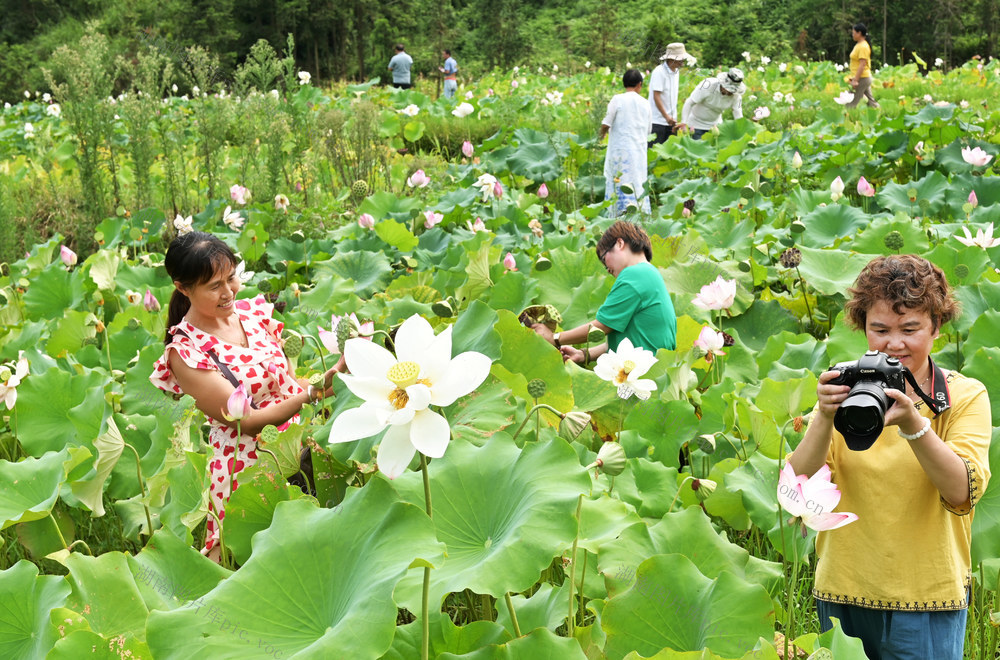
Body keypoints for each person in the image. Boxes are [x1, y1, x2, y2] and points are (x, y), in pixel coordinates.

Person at [788, 255, 991, 659]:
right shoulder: (845, 392)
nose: (893, 344)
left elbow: (961, 490)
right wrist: (824, 416)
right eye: (879, 329)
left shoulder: (963, 397)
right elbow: (795, 490)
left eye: (910, 329)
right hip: (842, 594)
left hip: (927, 602)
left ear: (935, 326)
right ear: (863, 328)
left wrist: (914, 424)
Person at [150, 232, 343, 560]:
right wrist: (311, 393)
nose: (228, 292)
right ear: (183, 288)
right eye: (214, 286)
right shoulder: (186, 352)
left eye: (231, 278)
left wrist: (338, 374)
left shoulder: (253, 315)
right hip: (246, 468)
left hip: (296, 448)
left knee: (309, 557)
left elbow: (288, 386)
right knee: (249, 564)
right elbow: (249, 422)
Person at [533, 221, 676, 363]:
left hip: (642, 373)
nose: (607, 269)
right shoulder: (650, 274)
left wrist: (555, 338)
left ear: (619, 244)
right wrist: (584, 354)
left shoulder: (634, 274)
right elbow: (627, 341)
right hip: (650, 368)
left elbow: (603, 326)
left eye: (604, 258)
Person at [600, 68, 653, 216]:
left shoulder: (617, 99)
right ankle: (638, 214)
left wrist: (600, 137)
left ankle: (617, 215)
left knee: (619, 180)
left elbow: (606, 123)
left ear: (624, 84)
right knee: (637, 180)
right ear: (639, 85)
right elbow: (649, 129)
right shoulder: (645, 103)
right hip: (638, 152)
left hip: (619, 151)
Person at [681, 68, 747, 139]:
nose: (729, 93)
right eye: (728, 89)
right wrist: (684, 122)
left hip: (716, 126)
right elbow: (689, 102)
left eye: (732, 91)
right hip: (696, 124)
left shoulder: (736, 96)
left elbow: (738, 114)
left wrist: (741, 132)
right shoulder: (707, 85)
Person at [648, 43, 692, 144]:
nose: (682, 62)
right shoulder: (659, 72)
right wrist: (666, 117)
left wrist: (672, 119)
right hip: (657, 121)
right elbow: (656, 96)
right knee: (655, 154)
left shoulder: (676, 72)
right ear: (671, 59)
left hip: (671, 122)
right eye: (680, 59)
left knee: (668, 155)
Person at [846, 23, 880, 109]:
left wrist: (855, 80)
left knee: (851, 102)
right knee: (871, 102)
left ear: (859, 33)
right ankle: (882, 114)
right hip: (863, 77)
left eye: (854, 33)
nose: (852, 35)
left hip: (862, 78)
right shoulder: (859, 45)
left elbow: (862, 64)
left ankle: (849, 117)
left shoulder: (863, 47)